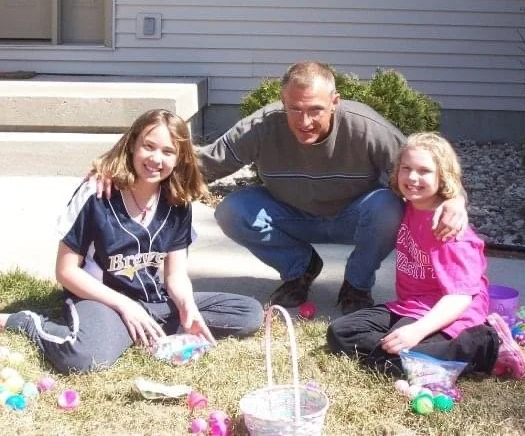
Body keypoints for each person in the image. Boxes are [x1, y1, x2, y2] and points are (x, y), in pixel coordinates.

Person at [97, 62, 467, 315]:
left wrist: (456, 201)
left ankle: (356, 285)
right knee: (232, 210)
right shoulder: (264, 125)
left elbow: (422, 169)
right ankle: (300, 269)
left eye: (316, 110)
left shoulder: (366, 128)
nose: (304, 121)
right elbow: (205, 164)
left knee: (389, 205)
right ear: (282, 100)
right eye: (294, 109)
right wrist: (119, 168)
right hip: (291, 214)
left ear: (335, 102)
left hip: (354, 216)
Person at [0, 109, 264, 374]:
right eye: (148, 147)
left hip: (151, 300)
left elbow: (175, 275)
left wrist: (187, 307)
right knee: (83, 357)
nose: (155, 159)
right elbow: (65, 271)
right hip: (100, 300)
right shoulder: (97, 194)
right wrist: (124, 306)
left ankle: (134, 327)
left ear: (180, 157)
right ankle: (27, 322)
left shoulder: (177, 200)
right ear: (132, 145)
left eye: (168, 152)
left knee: (249, 312)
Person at [327, 132, 525, 380]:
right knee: (339, 332)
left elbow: (460, 298)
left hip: (451, 314)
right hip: (411, 307)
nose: (412, 177)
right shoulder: (407, 205)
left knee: (390, 364)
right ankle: (411, 353)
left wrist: (417, 331)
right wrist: (456, 199)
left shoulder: (449, 230)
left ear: (442, 176)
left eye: (424, 171)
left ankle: (486, 344)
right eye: (406, 168)